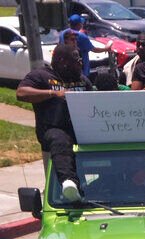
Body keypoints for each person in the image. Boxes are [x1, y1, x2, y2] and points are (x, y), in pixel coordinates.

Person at [16, 45, 92, 202]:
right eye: (76, 60)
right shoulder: (42, 76)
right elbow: (21, 93)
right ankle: (68, 183)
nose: (80, 63)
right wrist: (53, 93)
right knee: (60, 140)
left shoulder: (82, 80)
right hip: (53, 129)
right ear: (63, 61)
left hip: (81, 130)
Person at [61, 14, 109, 80]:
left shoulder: (63, 33)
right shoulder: (81, 36)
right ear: (79, 25)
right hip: (80, 71)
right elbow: (94, 49)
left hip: (66, 68)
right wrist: (106, 49)